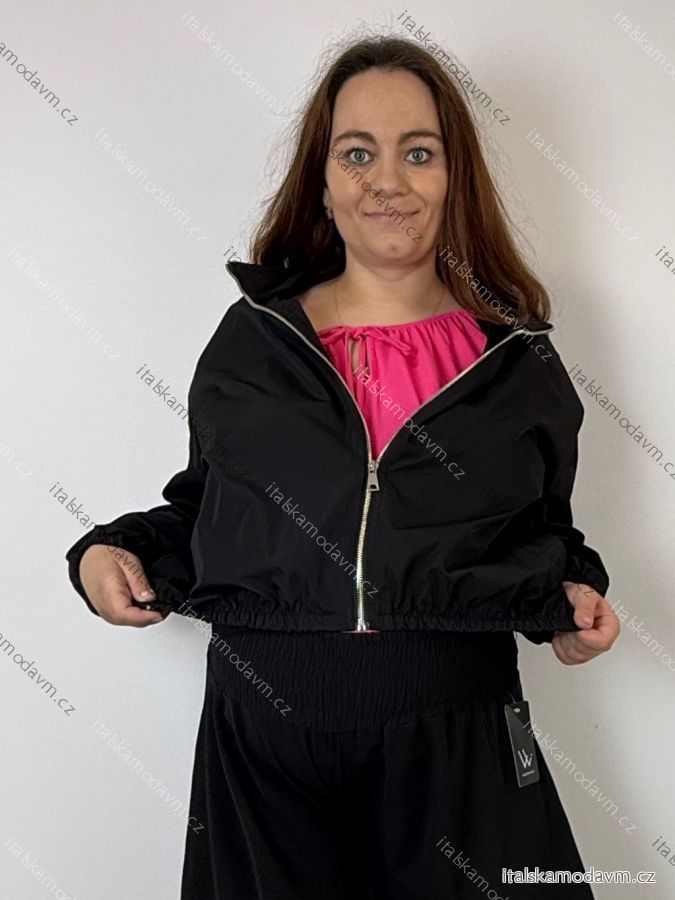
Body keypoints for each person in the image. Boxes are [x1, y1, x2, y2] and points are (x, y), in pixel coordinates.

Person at [65, 35, 620, 900]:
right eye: (357, 153)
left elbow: (541, 530)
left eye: (418, 153)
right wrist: (111, 551)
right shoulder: (256, 339)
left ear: (455, 176)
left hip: (456, 733)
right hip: (266, 738)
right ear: (321, 182)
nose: (385, 180)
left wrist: (570, 603)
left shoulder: (513, 358)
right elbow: (210, 508)